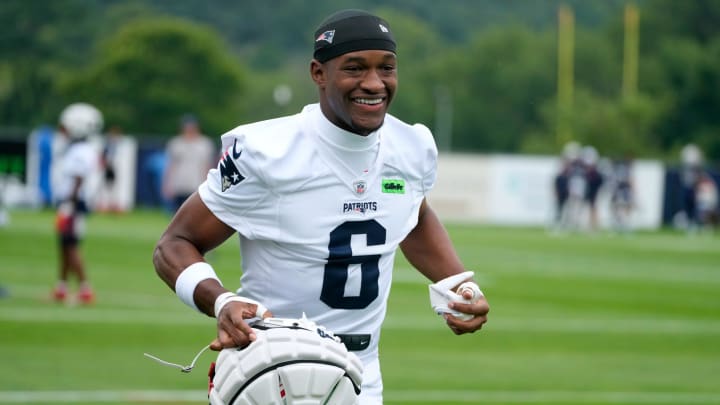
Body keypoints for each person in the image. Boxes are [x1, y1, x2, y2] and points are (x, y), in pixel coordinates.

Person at [153, 9, 489, 404]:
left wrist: (456, 283)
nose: (374, 83)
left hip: (362, 374)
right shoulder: (269, 152)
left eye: (387, 68)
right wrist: (221, 300)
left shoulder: (412, 147)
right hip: (271, 369)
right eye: (355, 68)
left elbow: (412, 215)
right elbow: (174, 244)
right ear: (318, 73)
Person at [52, 102, 103, 304]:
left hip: (73, 203)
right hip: (72, 202)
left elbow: (78, 179)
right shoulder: (80, 149)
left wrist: (68, 205)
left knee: (71, 244)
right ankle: (61, 287)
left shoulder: (81, 151)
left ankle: (84, 288)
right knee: (64, 244)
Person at [162, 114, 216, 213]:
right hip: (179, 184)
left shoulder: (205, 144)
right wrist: (167, 185)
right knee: (177, 213)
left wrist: (208, 184)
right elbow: (171, 165)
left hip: (197, 184)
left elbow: (208, 166)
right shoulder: (176, 143)